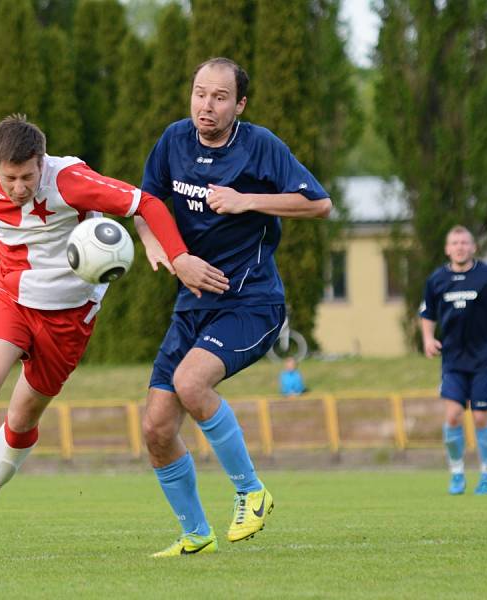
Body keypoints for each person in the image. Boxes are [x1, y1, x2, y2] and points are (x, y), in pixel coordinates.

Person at [0, 114, 224, 555]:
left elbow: (148, 203)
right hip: (11, 296)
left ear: (41, 162)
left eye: (28, 176)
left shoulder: (71, 180)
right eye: (10, 178)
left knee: (22, 420)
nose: (19, 188)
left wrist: (176, 255)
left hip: (69, 318)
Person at [135, 57, 332, 556]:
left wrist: (248, 200)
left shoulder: (260, 146)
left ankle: (252, 493)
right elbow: (146, 206)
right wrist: (170, 256)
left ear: (239, 104)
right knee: (156, 427)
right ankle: (196, 533)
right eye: (200, 93)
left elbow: (318, 203)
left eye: (220, 97)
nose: (207, 105)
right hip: (192, 301)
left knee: (190, 383)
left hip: (252, 300)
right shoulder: (173, 140)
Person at [419, 225, 487, 496]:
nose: (460, 247)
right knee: (452, 416)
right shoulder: (437, 279)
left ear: (473, 247)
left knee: (480, 416)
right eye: (455, 243)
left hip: (486, 358)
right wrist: (428, 339)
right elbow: (427, 313)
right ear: (447, 249)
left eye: (465, 242)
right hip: (453, 359)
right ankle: (457, 472)